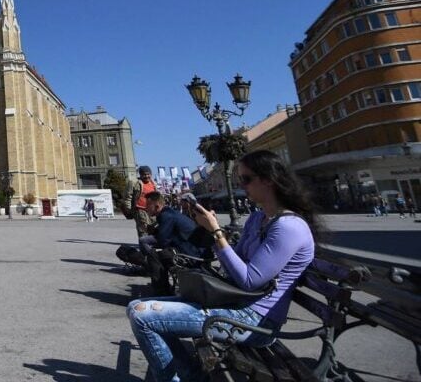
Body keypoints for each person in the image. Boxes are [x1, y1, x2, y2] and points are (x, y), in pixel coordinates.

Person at [127, 150, 319, 382]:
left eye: (246, 179)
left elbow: (249, 280)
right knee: (135, 306)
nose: (241, 184)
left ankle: (183, 377)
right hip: (234, 302)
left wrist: (217, 232)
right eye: (239, 179)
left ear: (268, 179)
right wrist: (214, 233)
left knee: (142, 317)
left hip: (255, 319)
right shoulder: (259, 218)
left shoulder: (289, 227)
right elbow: (231, 266)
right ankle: (189, 375)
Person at [139, 191, 201, 295]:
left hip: (190, 255)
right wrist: (155, 232)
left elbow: (163, 241)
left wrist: (154, 238)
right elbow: (165, 235)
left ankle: (162, 292)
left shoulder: (166, 216)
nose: (146, 208)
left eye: (148, 205)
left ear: (157, 206)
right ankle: (161, 287)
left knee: (154, 256)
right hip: (193, 251)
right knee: (155, 254)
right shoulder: (168, 213)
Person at [123, 166, 158, 238]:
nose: (147, 176)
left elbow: (157, 197)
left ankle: (151, 246)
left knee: (154, 228)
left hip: (152, 210)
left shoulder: (153, 183)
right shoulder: (134, 183)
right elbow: (127, 197)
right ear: (140, 175)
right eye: (144, 174)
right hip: (140, 210)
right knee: (143, 230)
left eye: (148, 174)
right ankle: (144, 247)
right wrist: (129, 210)